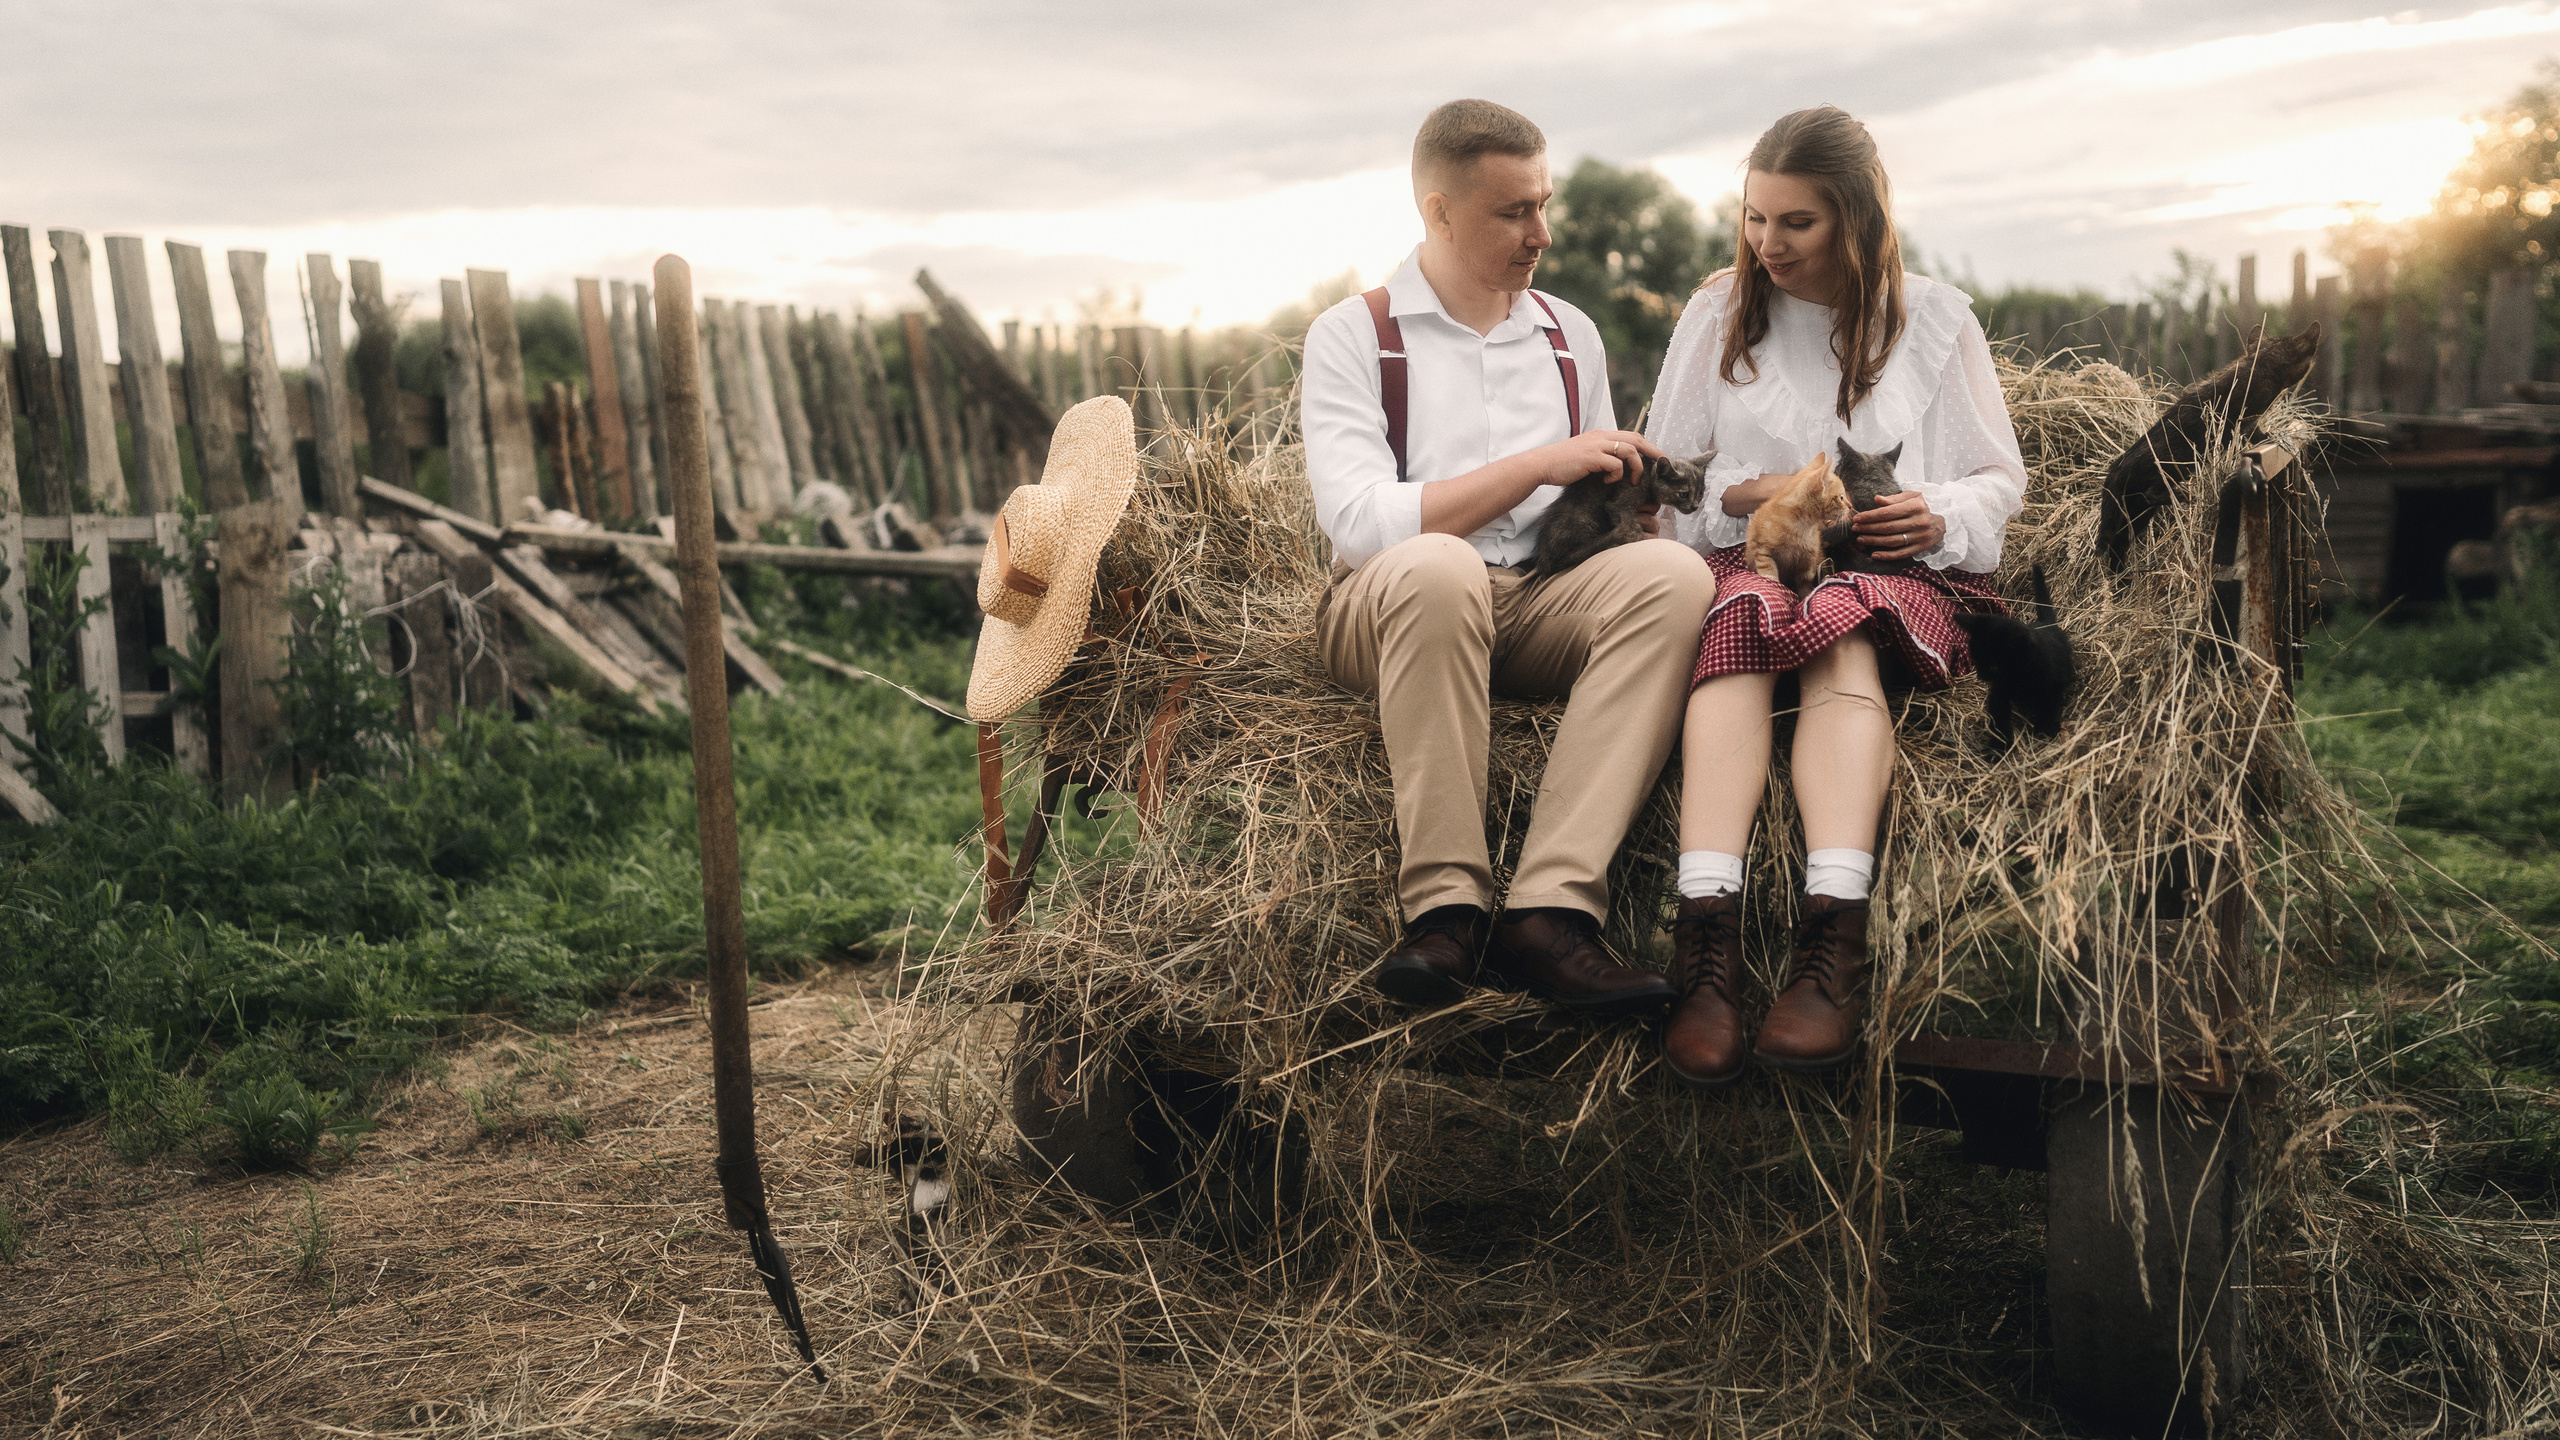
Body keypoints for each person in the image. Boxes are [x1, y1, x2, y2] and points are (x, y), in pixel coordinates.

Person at [1302, 99, 1718, 1016]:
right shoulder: (1355, 336)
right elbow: (1366, 525)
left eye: (1544, 203)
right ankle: (1446, 909)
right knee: (1437, 566)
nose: (1543, 232)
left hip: (1533, 600)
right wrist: (1535, 464)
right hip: (1387, 609)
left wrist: (1632, 514)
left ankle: (1549, 912)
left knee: (1677, 578)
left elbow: (1593, 505)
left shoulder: (1571, 335)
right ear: (1438, 211)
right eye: (1512, 212)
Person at [1646, 107, 2028, 1086]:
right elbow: (1670, 473)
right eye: (1753, 218)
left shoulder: (1935, 319)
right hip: (1749, 560)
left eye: (1795, 224)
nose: (1765, 244)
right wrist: (1750, 493)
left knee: (1839, 626)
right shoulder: (1718, 314)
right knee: (1738, 619)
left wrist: (1934, 514)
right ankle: (1707, 953)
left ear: (1856, 222)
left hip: (1891, 573)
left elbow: (1997, 477)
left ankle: (1833, 939)